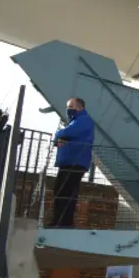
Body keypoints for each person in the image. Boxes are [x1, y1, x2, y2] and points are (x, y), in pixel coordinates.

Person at [50, 97, 95, 228]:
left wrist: (59, 134)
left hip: (75, 161)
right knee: (63, 190)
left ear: (80, 107)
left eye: (71, 106)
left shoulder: (83, 120)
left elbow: (67, 133)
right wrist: (60, 137)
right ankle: (61, 220)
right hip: (70, 161)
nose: (68, 110)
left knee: (65, 191)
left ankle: (63, 222)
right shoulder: (76, 121)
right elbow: (65, 135)